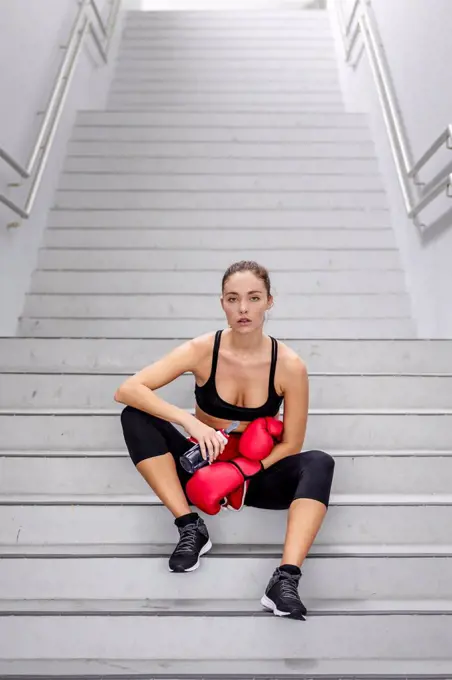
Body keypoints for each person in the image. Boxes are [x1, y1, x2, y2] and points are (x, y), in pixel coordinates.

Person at [115, 260, 335, 620]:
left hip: (255, 475)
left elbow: (292, 443)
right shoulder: (203, 349)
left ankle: (285, 580)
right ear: (222, 303)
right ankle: (190, 527)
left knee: (319, 462)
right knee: (136, 415)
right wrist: (191, 423)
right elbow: (128, 389)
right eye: (233, 299)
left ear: (269, 302)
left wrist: (241, 470)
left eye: (253, 298)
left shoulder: (290, 365)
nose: (243, 309)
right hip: (200, 466)